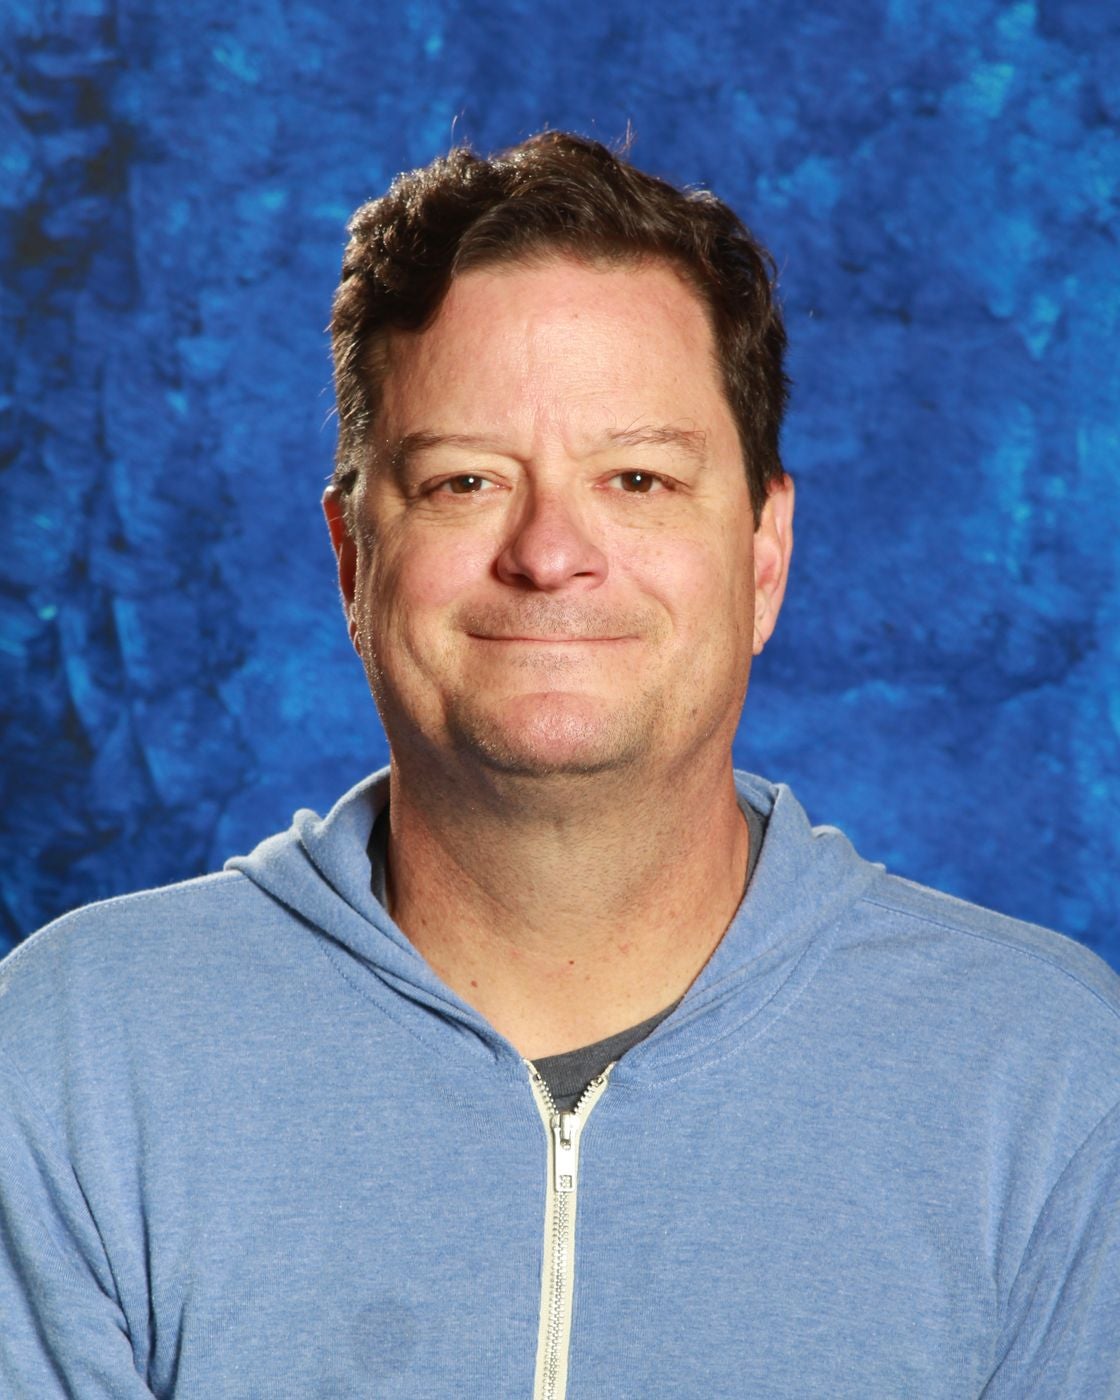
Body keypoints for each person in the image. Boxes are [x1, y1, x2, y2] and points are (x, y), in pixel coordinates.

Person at [1, 132, 1118, 1399]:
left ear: (763, 554)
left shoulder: (1048, 1085)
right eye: (464, 480)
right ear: (353, 557)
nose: (547, 552)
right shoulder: (71, 1060)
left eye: (637, 477)